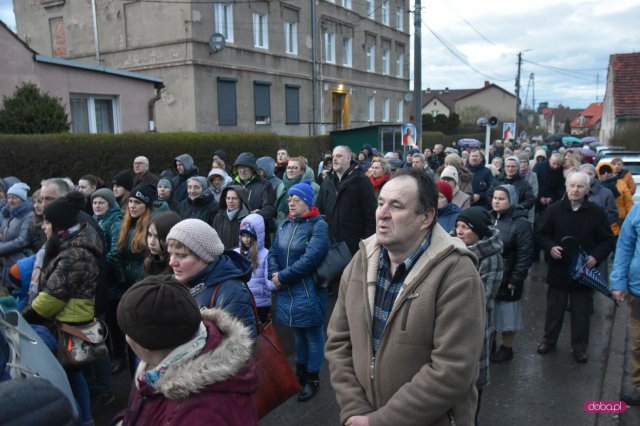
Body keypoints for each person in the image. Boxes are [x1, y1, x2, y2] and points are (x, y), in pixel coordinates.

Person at [325, 168, 486, 426]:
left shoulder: (457, 274)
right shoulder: (361, 261)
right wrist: (356, 410)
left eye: (396, 206)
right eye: (380, 203)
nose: (382, 213)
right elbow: (338, 342)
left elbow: (452, 370)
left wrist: (379, 421)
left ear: (426, 217)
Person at [114, 275, 258, 425]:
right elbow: (141, 408)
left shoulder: (202, 415)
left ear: (144, 344)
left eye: (128, 332)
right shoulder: (153, 370)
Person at [22, 192, 103, 426]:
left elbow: (52, 298)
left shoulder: (74, 255)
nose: (44, 227)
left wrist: (24, 317)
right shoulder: (70, 244)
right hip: (68, 318)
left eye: (48, 222)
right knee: (73, 374)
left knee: (72, 373)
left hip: (70, 323)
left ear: (58, 225)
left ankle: (84, 419)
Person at [534, 172, 615, 363]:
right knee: (554, 311)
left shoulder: (596, 212)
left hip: (583, 273)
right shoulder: (554, 210)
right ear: (566, 186)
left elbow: (608, 240)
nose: (575, 190)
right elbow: (539, 235)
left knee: (581, 313)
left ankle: (580, 347)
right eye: (572, 185)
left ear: (587, 190)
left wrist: (595, 257)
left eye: (580, 186)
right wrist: (550, 247)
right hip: (559, 271)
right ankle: (549, 341)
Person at [268, 180, 330, 401]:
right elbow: (273, 252)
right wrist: (274, 273)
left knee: (313, 334)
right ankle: (300, 373)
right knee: (298, 332)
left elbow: (311, 259)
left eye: (297, 199)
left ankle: (313, 378)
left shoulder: (318, 226)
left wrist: (282, 277)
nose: (291, 203)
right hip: (288, 289)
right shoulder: (286, 223)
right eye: (290, 199)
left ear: (308, 202)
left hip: (308, 289)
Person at [166, 218, 257, 338]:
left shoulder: (233, 292)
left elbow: (240, 348)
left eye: (181, 255)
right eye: (170, 254)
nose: (171, 263)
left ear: (205, 257)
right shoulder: (177, 282)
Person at [455, 206, 503, 423]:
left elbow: (481, 299)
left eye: (465, 227)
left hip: (475, 329)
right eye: (458, 226)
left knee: (472, 389)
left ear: (479, 232)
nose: (459, 231)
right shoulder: (450, 249)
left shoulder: (491, 258)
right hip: (448, 327)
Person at [113, 183, 156, 374]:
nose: (132, 206)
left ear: (146, 206)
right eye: (130, 201)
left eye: (137, 202)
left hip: (143, 288)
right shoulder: (126, 224)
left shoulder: (150, 227)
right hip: (128, 287)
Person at [489, 185, 533, 363]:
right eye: (495, 197)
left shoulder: (521, 223)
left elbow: (525, 253)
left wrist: (516, 278)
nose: (496, 201)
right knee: (489, 312)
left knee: (507, 315)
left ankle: (506, 348)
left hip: (508, 277)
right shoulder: (489, 217)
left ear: (511, 201)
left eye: (501, 198)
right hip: (490, 276)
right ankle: (489, 343)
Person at [316, 146, 377, 255]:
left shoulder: (361, 181)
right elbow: (319, 211)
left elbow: (371, 214)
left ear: (349, 158)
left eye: (339, 156)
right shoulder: (327, 182)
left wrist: (367, 241)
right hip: (329, 243)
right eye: (333, 156)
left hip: (353, 245)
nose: (334, 159)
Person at [610, 203, 640, 405]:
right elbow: (625, 246)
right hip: (638, 292)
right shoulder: (638, 210)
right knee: (639, 342)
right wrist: (619, 281)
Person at [231, 153, 276, 243]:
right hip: (234, 233)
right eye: (239, 167)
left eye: (245, 167)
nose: (242, 171)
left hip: (256, 235)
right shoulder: (231, 185)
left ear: (252, 168)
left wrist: (252, 217)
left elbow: (270, 209)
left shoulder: (264, 184)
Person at [235, 214, 271, 323]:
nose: (246, 239)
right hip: (241, 301)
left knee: (261, 335)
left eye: (249, 236)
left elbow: (269, 280)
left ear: (256, 236)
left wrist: (279, 281)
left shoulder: (266, 254)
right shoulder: (236, 253)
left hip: (261, 302)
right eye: (243, 235)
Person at [0, 182, 33, 288]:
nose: (10, 200)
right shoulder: (7, 215)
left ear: (22, 199)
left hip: (19, 262)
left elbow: (22, 240)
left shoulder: (28, 216)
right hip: (6, 262)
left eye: (14, 197)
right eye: (9, 197)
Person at [275, 157, 319, 228]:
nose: (290, 170)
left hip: (303, 226)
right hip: (281, 226)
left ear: (302, 171)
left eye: (294, 168)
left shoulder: (313, 187)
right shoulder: (281, 186)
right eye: (288, 167)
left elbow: (313, 208)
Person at [597, 162, 634, 236]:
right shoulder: (595, 186)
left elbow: (628, 202)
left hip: (621, 220)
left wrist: (632, 218)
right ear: (599, 173)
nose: (606, 174)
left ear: (612, 172)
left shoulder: (621, 183)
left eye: (608, 171)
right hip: (602, 221)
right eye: (603, 172)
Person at [212, 186, 251, 250]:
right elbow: (213, 238)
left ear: (241, 200)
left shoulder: (247, 219)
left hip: (238, 256)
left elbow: (247, 243)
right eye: (228, 198)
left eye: (234, 198)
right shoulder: (218, 217)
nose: (230, 201)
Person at [144, 211, 182, 276]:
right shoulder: (149, 262)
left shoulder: (178, 268)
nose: (151, 242)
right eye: (150, 235)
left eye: (158, 237)